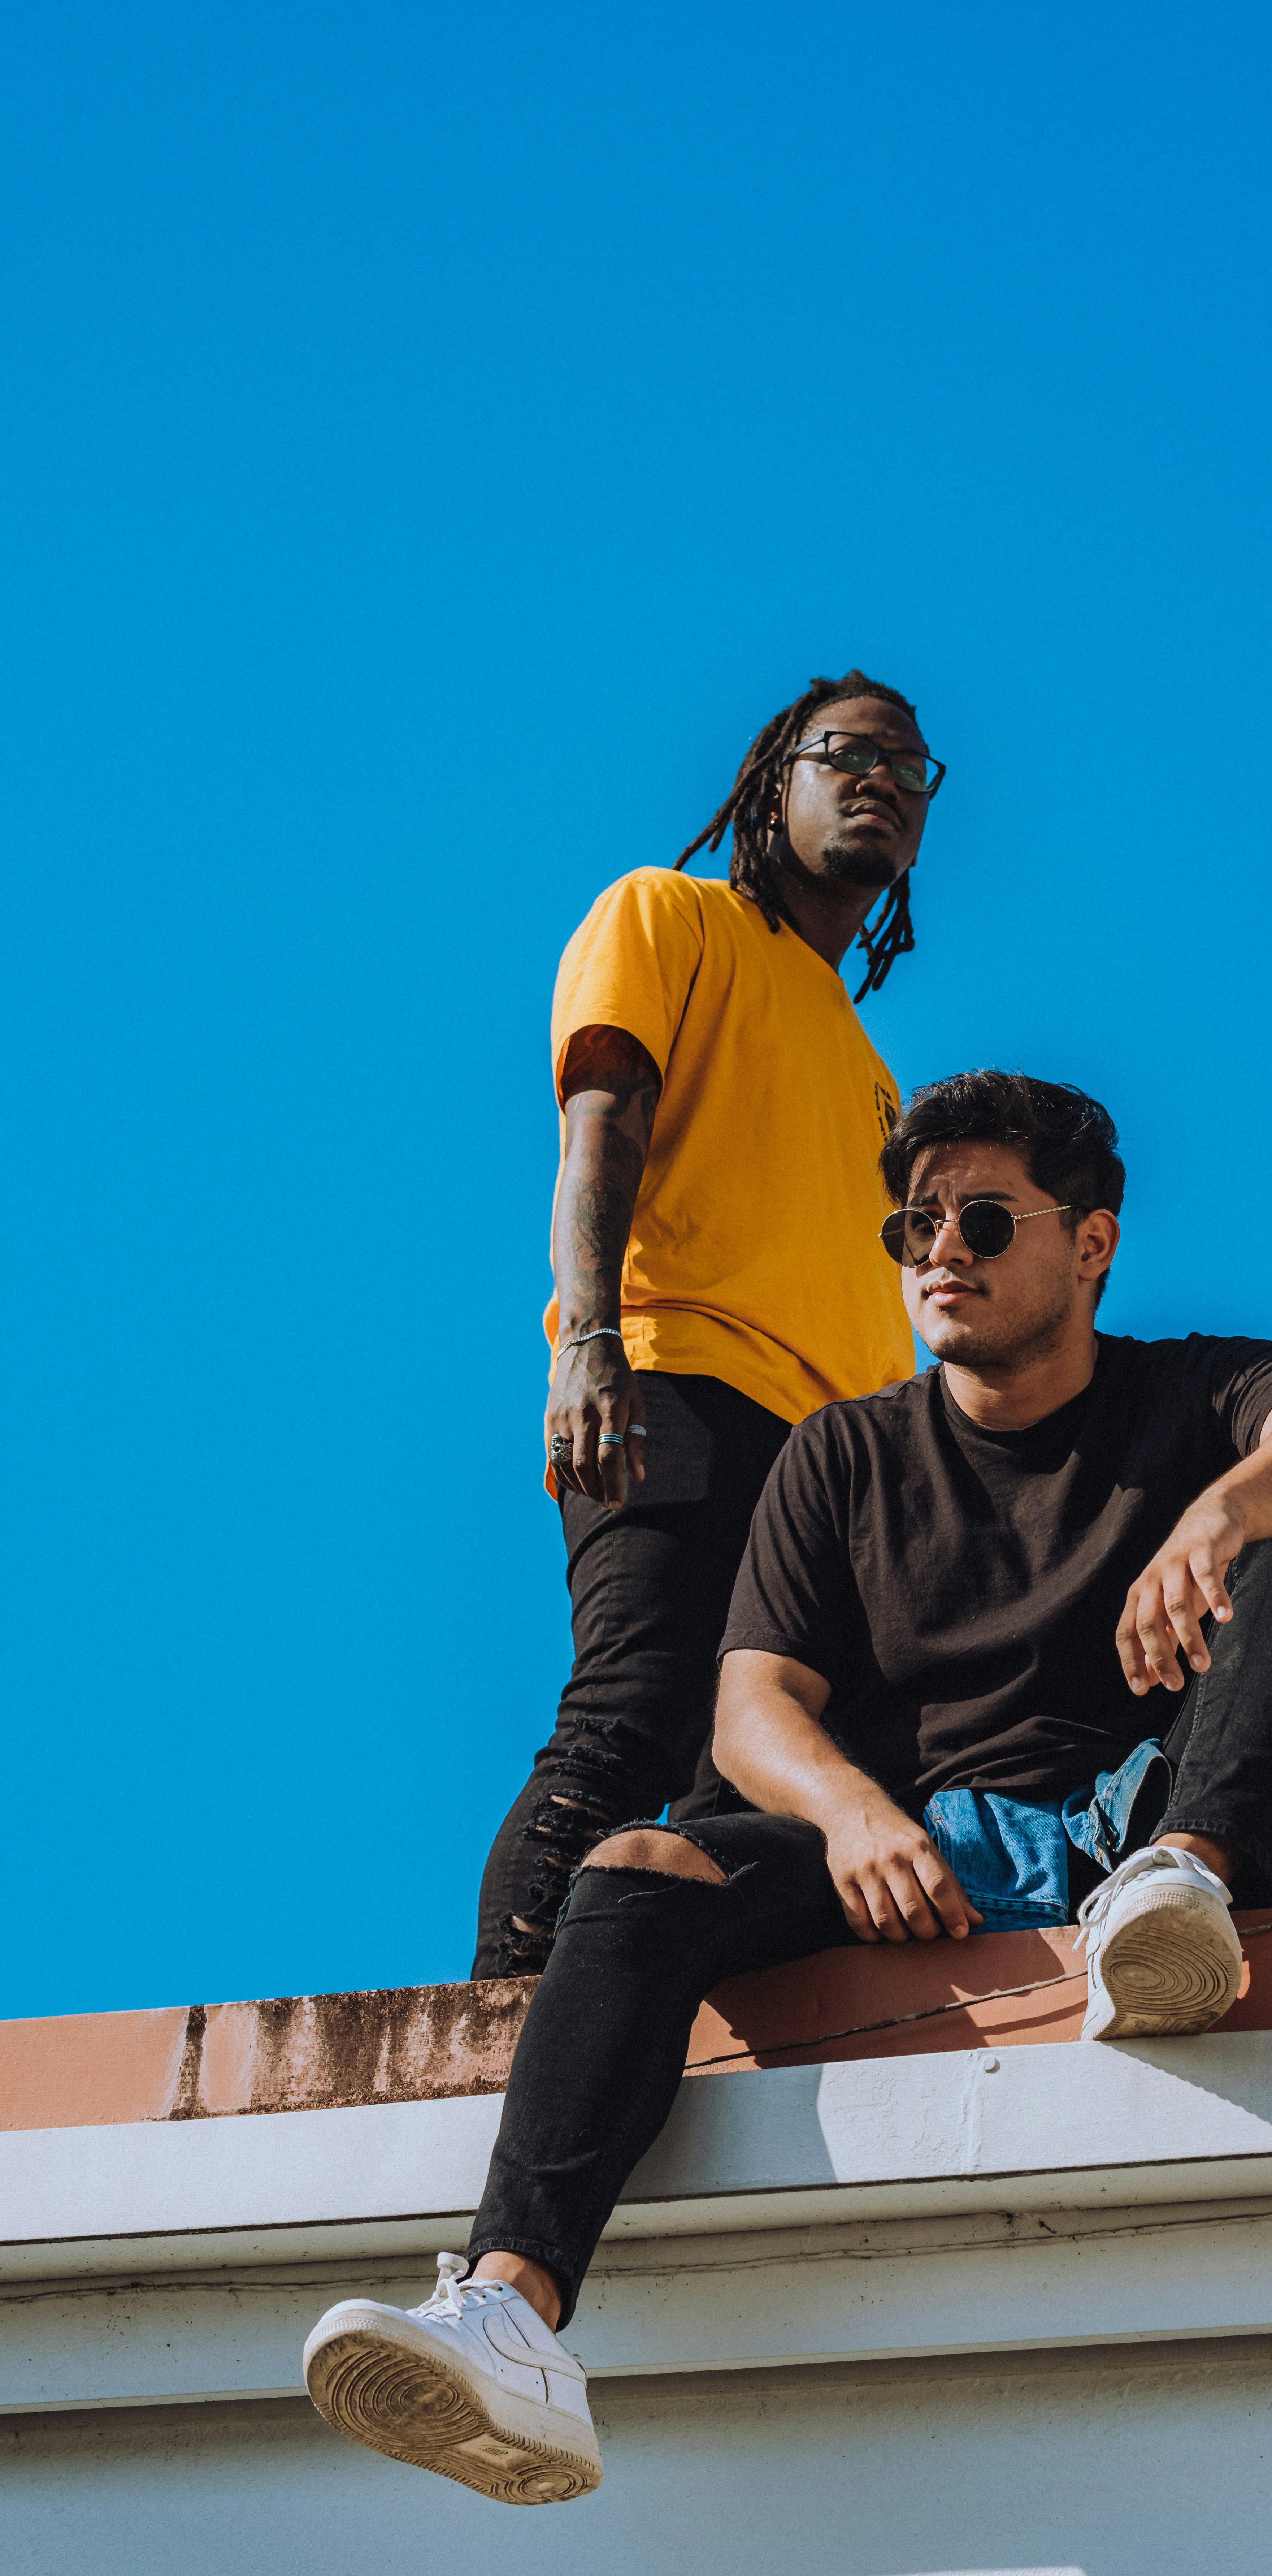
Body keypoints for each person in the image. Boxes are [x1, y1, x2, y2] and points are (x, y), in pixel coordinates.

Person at [306, 1072, 1272, 2503]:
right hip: (924, 1853)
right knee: (635, 1870)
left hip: (1167, 1818)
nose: (940, 1251)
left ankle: (1186, 1886)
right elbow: (753, 1707)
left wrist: (1225, 1505)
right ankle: (515, 2323)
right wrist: (852, 1815)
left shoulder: (1196, 1388)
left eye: (982, 1218)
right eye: (913, 1226)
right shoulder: (844, 1454)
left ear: (1091, 1244)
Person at [472, 671, 942, 1980]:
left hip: (836, 1473)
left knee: (762, 1783)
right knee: (634, 1716)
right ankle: (499, 2046)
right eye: (847, 755)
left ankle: (651, 2044)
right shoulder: (667, 915)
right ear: (770, 782)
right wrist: (586, 1343)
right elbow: (599, 1133)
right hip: (674, 1382)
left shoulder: (874, 1072)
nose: (883, 784)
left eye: (911, 772)